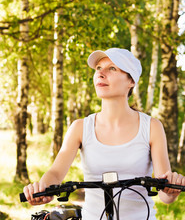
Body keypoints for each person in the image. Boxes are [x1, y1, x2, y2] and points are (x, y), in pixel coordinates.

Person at [23, 48, 185, 219]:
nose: (101, 74)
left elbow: (165, 195)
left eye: (112, 68)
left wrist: (172, 188)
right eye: (99, 68)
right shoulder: (80, 127)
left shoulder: (152, 127)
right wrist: (41, 189)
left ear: (131, 81)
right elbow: (55, 173)